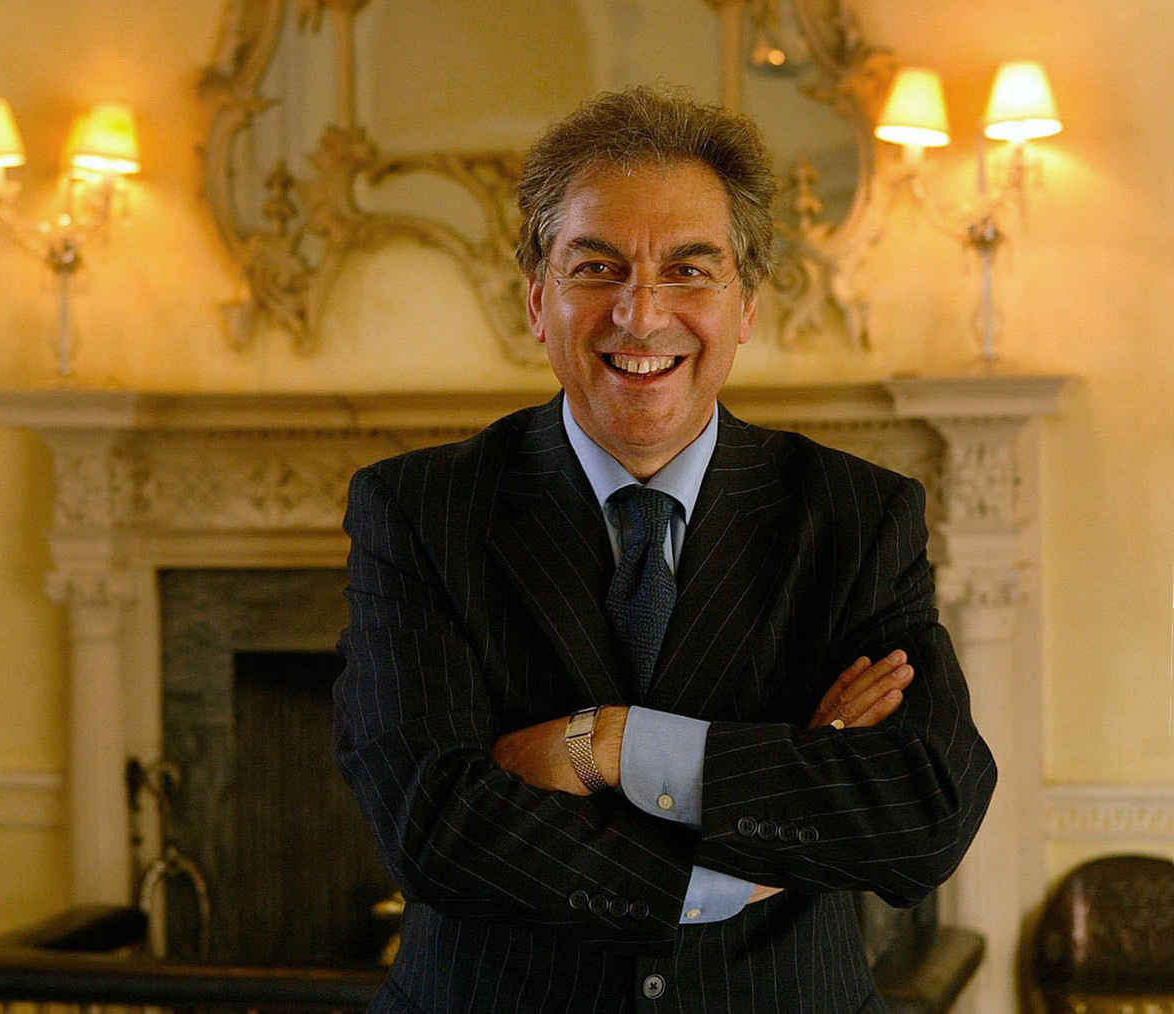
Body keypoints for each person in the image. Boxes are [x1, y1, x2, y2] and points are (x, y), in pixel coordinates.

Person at [335, 86, 995, 1013]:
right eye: (597, 268)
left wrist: (612, 746)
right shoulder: (415, 510)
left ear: (747, 307)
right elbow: (435, 825)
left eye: (690, 271)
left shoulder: (858, 516)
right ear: (537, 299)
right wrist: (747, 845)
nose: (641, 317)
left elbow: (922, 810)